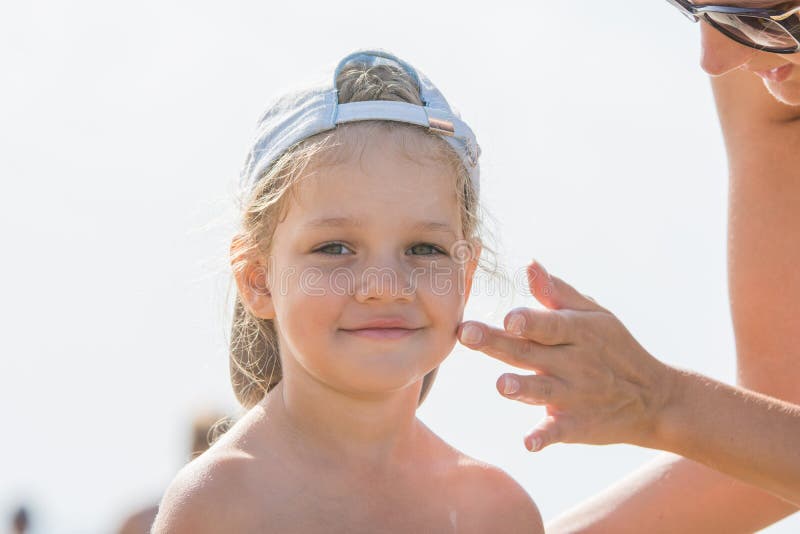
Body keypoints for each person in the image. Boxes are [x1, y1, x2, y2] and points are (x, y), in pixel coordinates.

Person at [151, 49, 544, 533]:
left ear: (464, 278)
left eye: (424, 248)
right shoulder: (218, 505)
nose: (384, 286)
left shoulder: (497, 513)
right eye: (335, 247)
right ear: (258, 277)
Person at [456, 1, 800, 531]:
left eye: (769, 18)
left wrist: (660, 402)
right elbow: (774, 429)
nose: (713, 57)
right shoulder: (764, 63)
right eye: (692, 6)